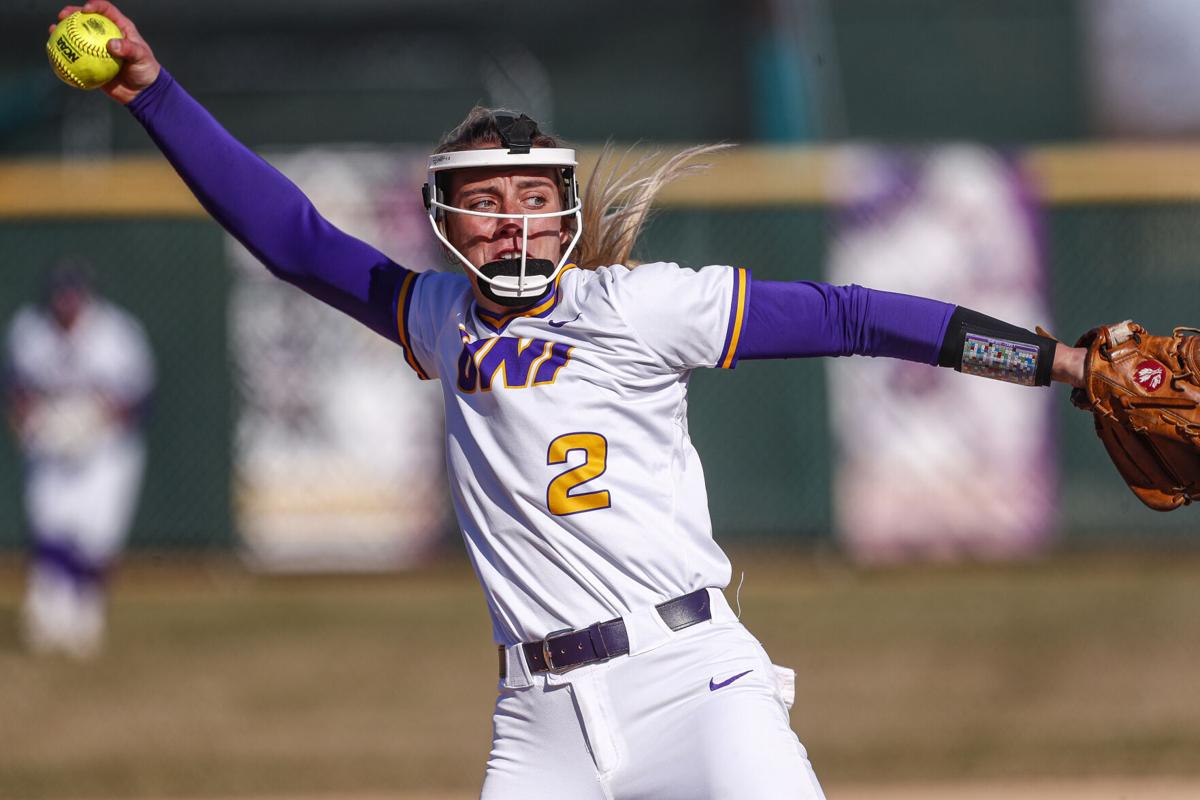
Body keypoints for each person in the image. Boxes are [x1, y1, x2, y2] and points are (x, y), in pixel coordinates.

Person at [57, 2, 1088, 795]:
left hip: (695, 681)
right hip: (538, 714)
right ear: (449, 223)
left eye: (534, 201)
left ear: (565, 212)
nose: (514, 226)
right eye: (485, 205)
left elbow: (854, 313)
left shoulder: (643, 306)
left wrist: (1056, 364)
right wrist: (152, 92)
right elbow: (293, 240)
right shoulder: (440, 317)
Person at [4, 257, 155, 659]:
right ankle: (50, 612)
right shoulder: (29, 331)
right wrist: (32, 423)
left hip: (107, 449)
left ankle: (85, 613)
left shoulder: (116, 333)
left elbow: (138, 399)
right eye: (61, 298)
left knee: (95, 535)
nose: (67, 306)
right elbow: (16, 391)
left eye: (74, 298)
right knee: (51, 525)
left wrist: (91, 423)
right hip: (50, 445)